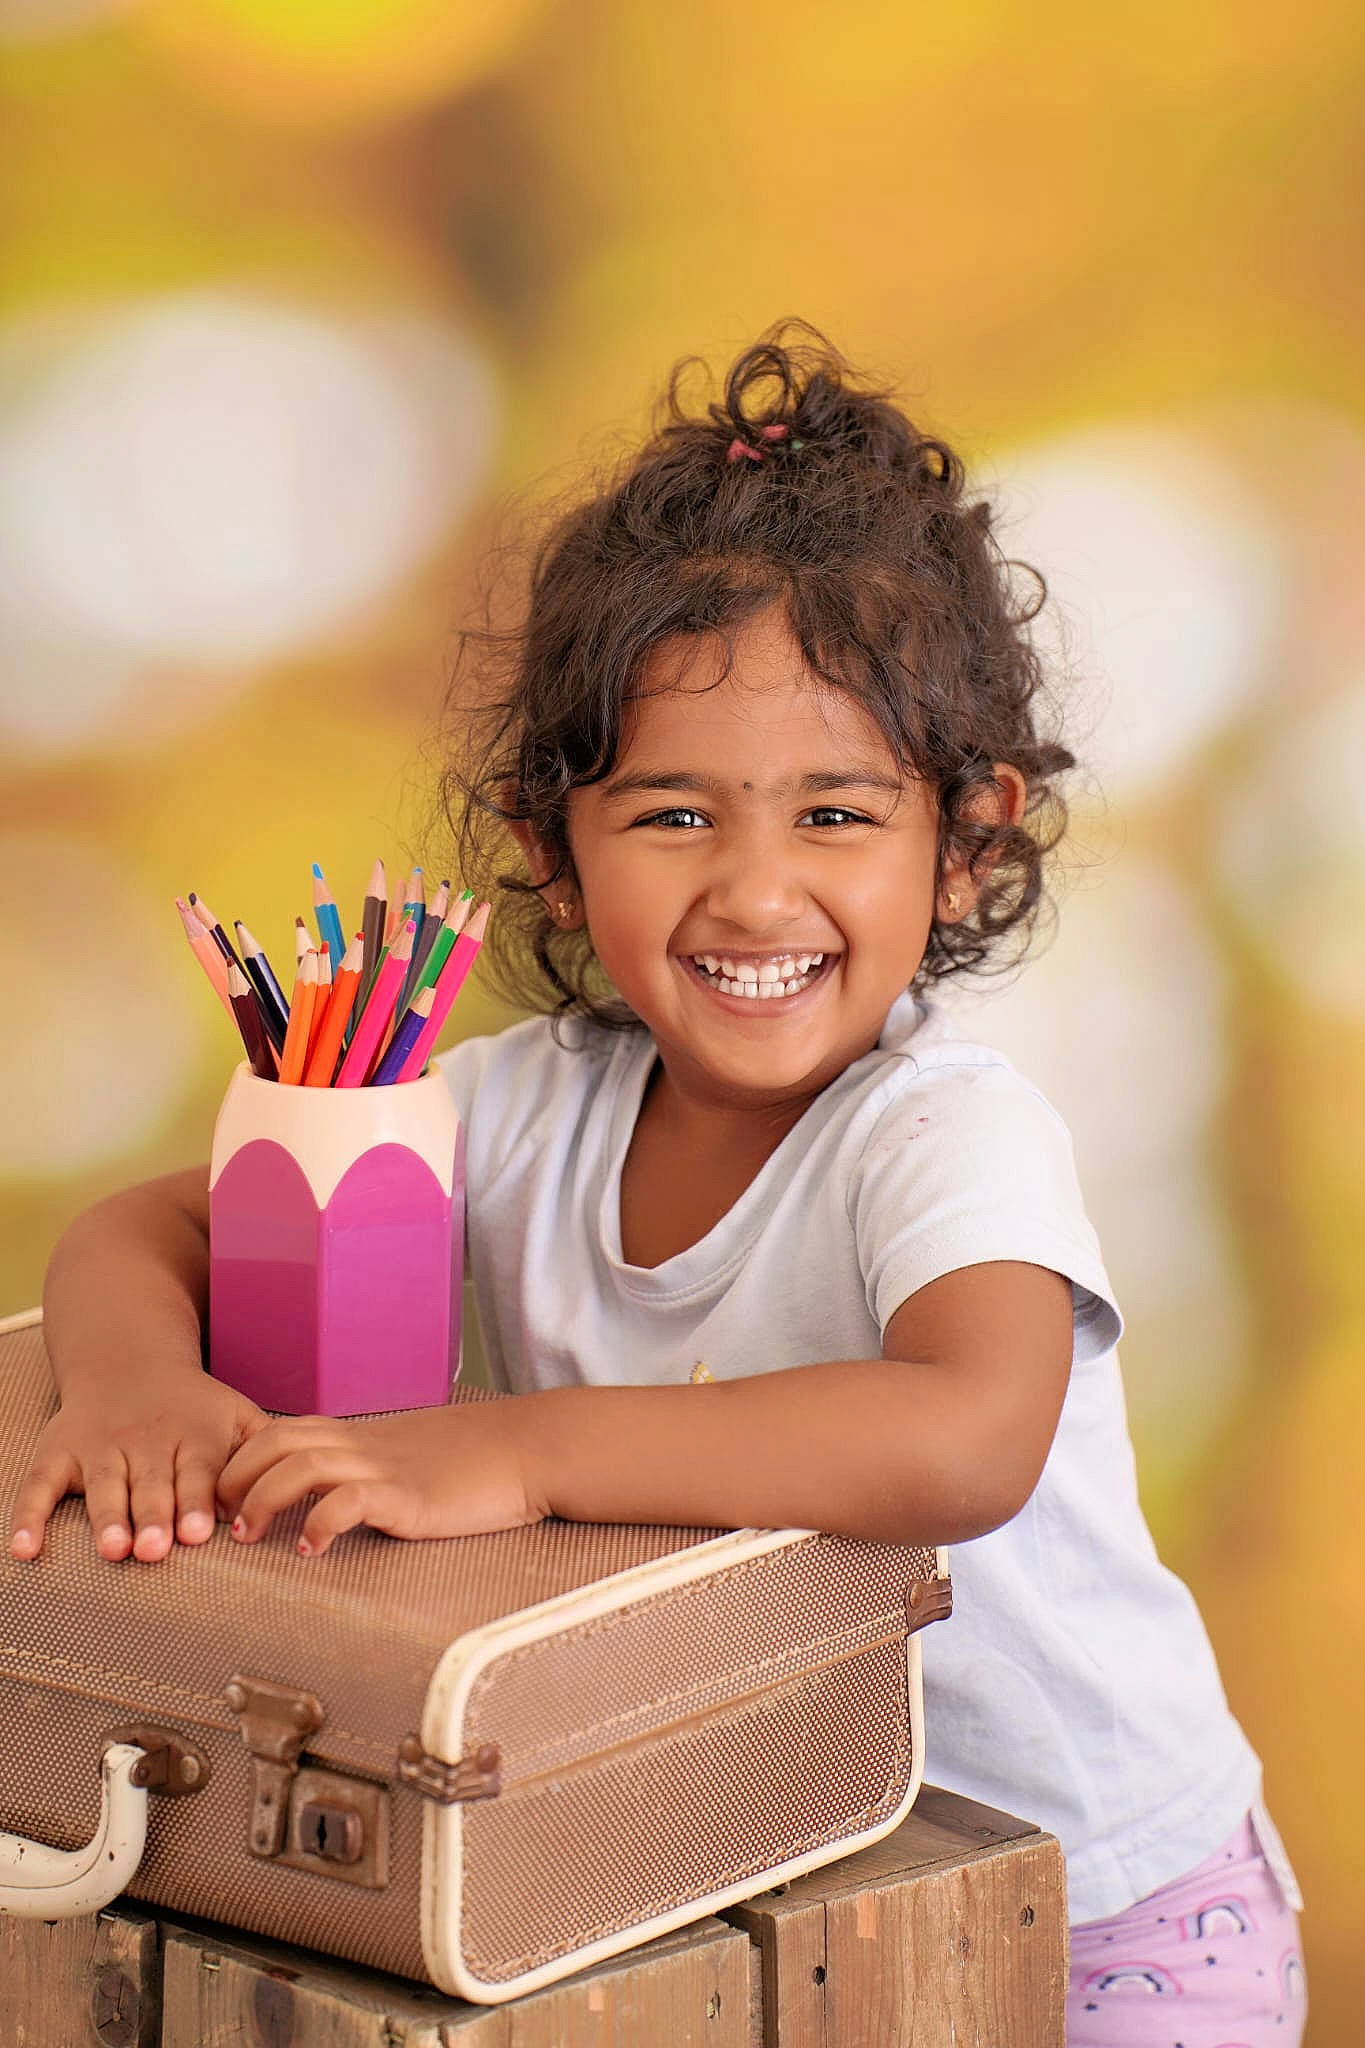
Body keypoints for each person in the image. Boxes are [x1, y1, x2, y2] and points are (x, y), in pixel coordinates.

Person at [9, 328, 1304, 2046]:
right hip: (724, 1877)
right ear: (556, 848)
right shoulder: (516, 1108)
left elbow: (961, 1436)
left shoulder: (942, 1132)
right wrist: (134, 1382)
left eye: (836, 815)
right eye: (675, 818)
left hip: (1095, 1909)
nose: (756, 893)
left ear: (968, 838)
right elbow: (148, 1224)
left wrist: (518, 1450)